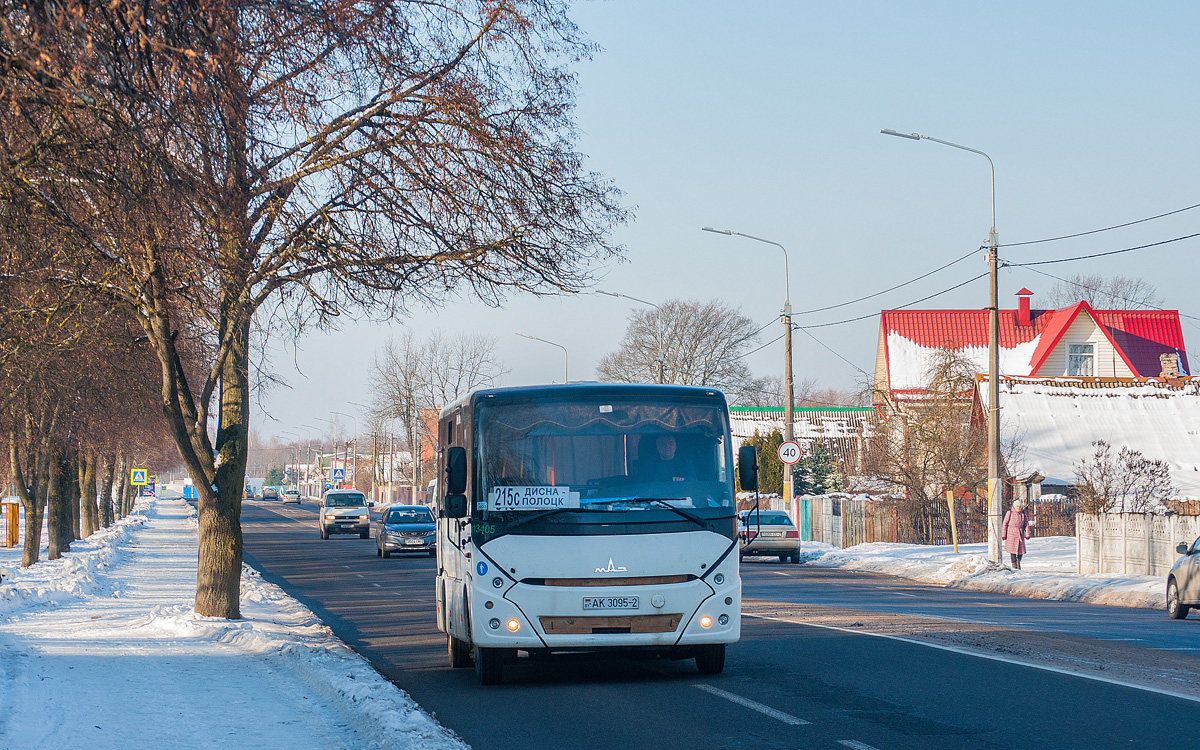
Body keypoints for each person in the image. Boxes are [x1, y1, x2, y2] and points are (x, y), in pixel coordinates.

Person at [1002, 499, 1032, 569]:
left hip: (1020, 534)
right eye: (1017, 507)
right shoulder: (1010, 513)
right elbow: (1005, 524)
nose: (1018, 508)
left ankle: (1018, 561)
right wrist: (1004, 535)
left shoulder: (1023, 514)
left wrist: (1027, 534)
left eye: (1019, 507)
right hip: (1011, 534)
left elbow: (1026, 524)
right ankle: (1014, 565)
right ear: (1014, 507)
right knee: (1012, 551)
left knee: (1020, 551)